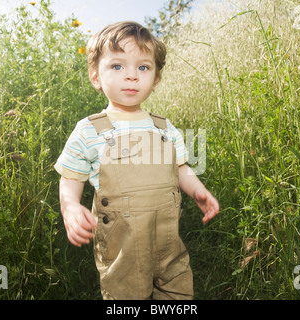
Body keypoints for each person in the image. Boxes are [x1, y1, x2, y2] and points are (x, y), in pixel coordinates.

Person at [54, 21, 219, 300]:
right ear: (96, 76)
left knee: (177, 291)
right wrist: (69, 206)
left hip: (168, 242)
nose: (131, 76)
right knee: (126, 296)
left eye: (143, 67)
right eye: (117, 66)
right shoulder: (89, 130)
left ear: (155, 79)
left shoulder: (165, 128)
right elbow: (71, 178)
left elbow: (180, 168)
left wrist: (198, 190)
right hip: (122, 248)